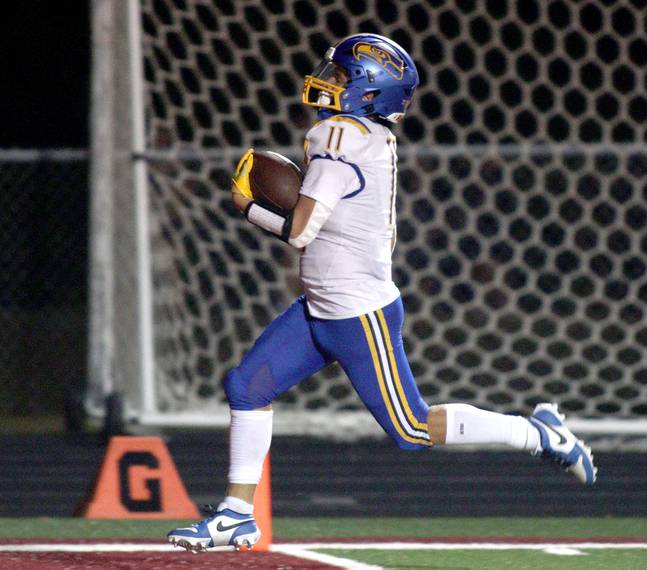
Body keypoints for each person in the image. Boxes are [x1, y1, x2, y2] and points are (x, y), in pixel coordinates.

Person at [168, 33, 596, 552]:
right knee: (247, 387)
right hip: (320, 307)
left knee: (412, 429)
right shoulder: (361, 136)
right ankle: (237, 515)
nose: (328, 82)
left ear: (369, 92)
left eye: (342, 77)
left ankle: (539, 434)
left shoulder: (341, 139)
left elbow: (300, 232)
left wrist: (246, 206)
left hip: (356, 314)